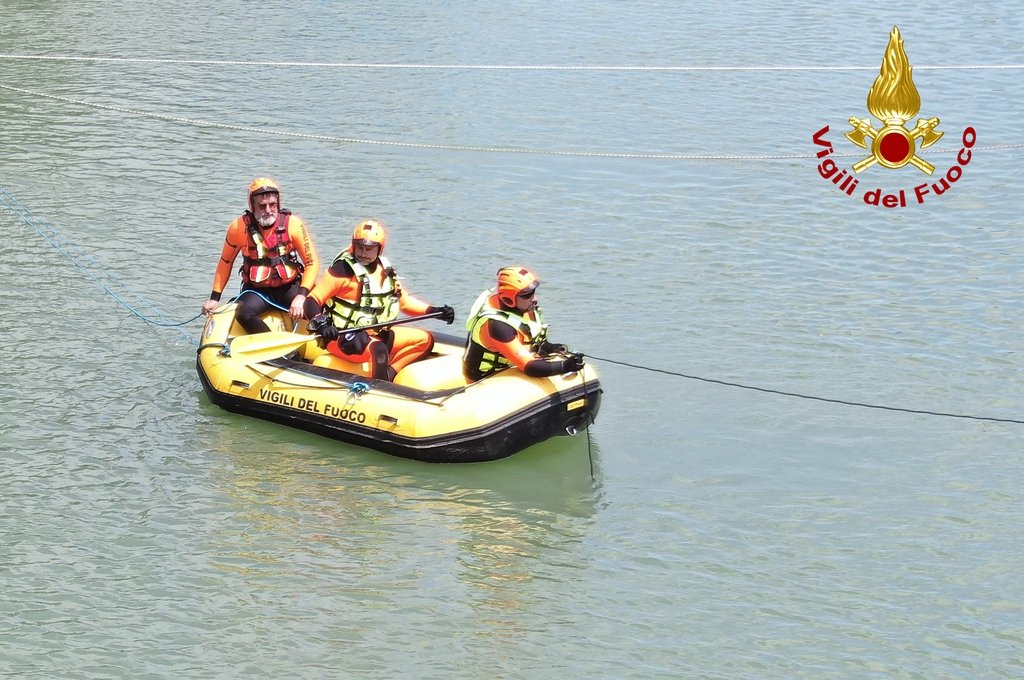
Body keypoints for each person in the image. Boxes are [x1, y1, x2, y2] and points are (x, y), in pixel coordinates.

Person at [304, 219, 455, 381]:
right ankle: (380, 388)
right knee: (379, 349)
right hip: (342, 337)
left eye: (369, 249)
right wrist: (322, 324)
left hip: (375, 334)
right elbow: (311, 300)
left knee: (425, 340)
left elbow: (403, 302)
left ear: (379, 249)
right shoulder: (342, 271)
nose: (363, 253)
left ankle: (389, 375)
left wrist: (435, 311)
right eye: (359, 248)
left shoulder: (386, 271)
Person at [201, 177, 320, 334]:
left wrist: (301, 296)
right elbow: (225, 262)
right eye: (262, 206)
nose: (268, 210)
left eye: (272, 205)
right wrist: (214, 298)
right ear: (252, 206)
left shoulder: (294, 224)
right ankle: (271, 344)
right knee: (243, 313)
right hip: (257, 291)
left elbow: (312, 263)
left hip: (290, 288)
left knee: (316, 310)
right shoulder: (238, 228)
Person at [462, 266, 585, 382]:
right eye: (527, 295)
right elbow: (530, 367)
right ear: (508, 298)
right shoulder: (498, 326)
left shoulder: (524, 308)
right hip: (485, 378)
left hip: (510, 368)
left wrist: (549, 348)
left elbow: (530, 340)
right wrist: (565, 366)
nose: (535, 299)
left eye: (533, 292)